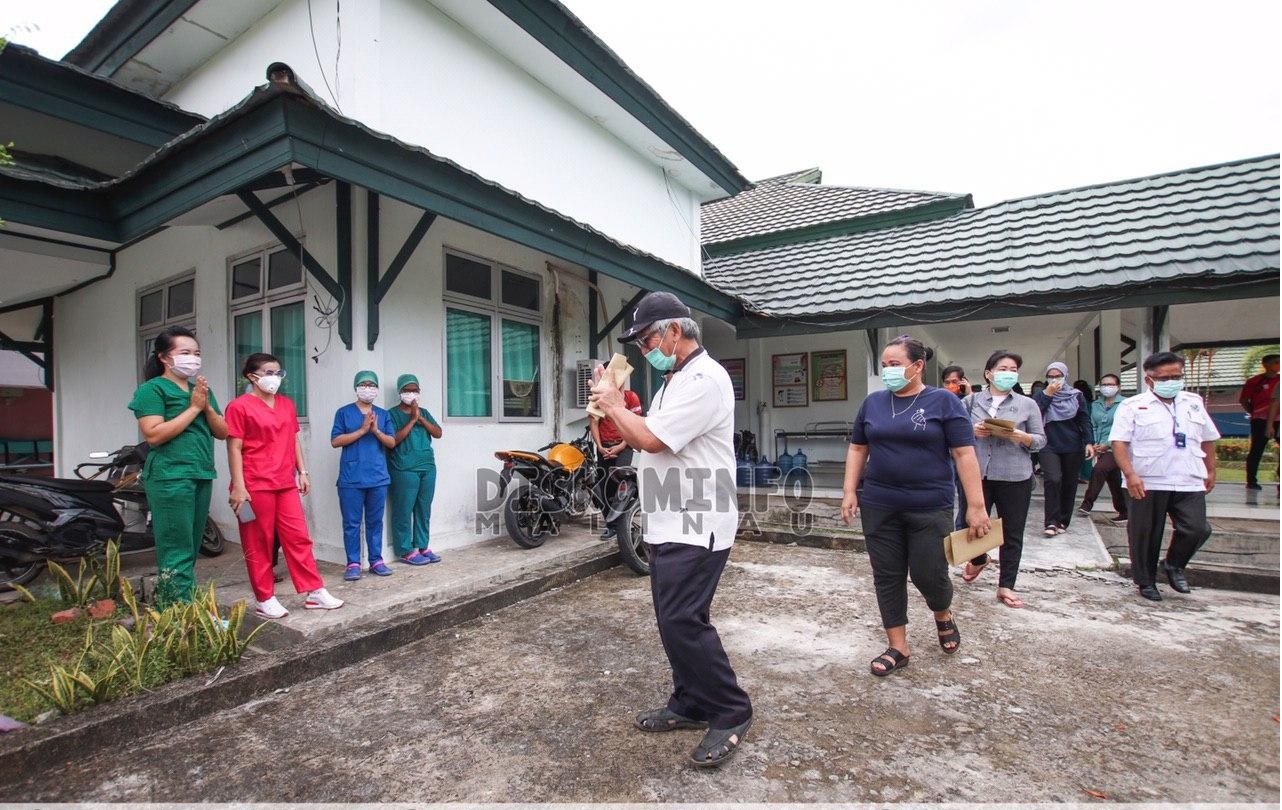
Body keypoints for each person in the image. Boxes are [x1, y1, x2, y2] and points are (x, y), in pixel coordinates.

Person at [590, 291, 752, 770]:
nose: (643, 349)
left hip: (697, 519)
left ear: (675, 332)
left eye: (646, 338)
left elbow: (652, 439)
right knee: (671, 619)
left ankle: (731, 709)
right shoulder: (674, 380)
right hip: (668, 518)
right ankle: (690, 701)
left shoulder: (704, 379)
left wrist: (617, 405)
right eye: (638, 342)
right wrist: (614, 411)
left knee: (684, 620)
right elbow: (647, 434)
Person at [840, 335, 991, 677]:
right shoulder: (873, 403)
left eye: (895, 365)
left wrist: (976, 506)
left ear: (918, 366)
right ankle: (899, 647)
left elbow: (964, 454)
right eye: (885, 366)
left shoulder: (943, 402)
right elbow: (858, 448)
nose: (888, 371)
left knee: (928, 572)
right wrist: (850, 490)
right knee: (887, 575)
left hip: (929, 504)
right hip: (879, 503)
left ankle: (942, 613)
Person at [225, 354, 342, 618]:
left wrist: (303, 471)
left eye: (279, 372)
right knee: (259, 542)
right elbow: (234, 447)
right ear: (252, 376)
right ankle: (264, 597)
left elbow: (294, 439)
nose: (275, 378)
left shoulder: (286, 405)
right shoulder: (239, 406)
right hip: (254, 484)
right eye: (269, 372)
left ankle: (314, 591)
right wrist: (238, 487)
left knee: (298, 537)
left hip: (284, 482)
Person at [128, 326, 228, 607]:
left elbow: (222, 431)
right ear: (164, 357)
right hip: (170, 476)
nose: (193, 359)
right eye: (185, 352)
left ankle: (184, 607)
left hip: (200, 473)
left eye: (196, 353)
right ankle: (175, 614)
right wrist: (194, 409)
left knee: (191, 547)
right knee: (176, 548)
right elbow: (155, 434)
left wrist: (206, 406)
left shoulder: (202, 391)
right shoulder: (152, 389)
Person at [1110, 351, 1219, 601]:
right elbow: (1119, 443)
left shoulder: (1193, 402)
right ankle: (1146, 581)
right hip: (1147, 480)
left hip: (1188, 477)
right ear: (1149, 380)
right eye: (1165, 377)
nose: (1172, 381)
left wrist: (1211, 470)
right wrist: (1130, 474)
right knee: (1145, 534)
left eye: (1176, 376)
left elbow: (1208, 438)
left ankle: (1173, 564)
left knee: (1196, 528)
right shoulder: (1132, 406)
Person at [958, 351, 1046, 608]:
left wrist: (1022, 437)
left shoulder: (1027, 404)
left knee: (1012, 532)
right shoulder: (971, 402)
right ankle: (978, 559)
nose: (1008, 373)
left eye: (1013, 369)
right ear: (988, 373)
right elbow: (954, 432)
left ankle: (1006, 586)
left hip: (1015, 475)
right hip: (976, 474)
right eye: (1003, 368)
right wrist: (971, 431)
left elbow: (1041, 440)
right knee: (971, 525)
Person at [331, 370, 396, 581]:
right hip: (351, 478)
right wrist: (362, 430)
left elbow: (391, 442)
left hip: (377, 477)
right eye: (363, 384)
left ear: (376, 389)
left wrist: (375, 430)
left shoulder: (383, 415)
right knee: (351, 523)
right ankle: (353, 563)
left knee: (375, 521)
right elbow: (335, 441)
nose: (367, 388)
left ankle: (376, 560)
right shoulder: (343, 413)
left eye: (371, 384)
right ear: (356, 387)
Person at [1033, 362, 1095, 536]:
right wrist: (1048, 395)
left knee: (1069, 482)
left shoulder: (1076, 396)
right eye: (1050, 376)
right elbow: (1035, 414)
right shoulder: (1040, 395)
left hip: (1072, 444)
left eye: (1057, 376)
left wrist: (1089, 442)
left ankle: (1063, 520)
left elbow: (1084, 419)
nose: (1054, 380)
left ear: (1065, 376)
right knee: (1053, 479)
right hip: (1047, 444)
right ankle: (1051, 522)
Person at [388, 374, 443, 566]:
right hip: (404, 468)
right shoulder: (391, 414)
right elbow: (392, 441)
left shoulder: (424, 412)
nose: (411, 393)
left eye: (414, 390)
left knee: (423, 508)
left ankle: (422, 545)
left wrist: (420, 418)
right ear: (400, 392)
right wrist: (411, 420)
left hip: (427, 467)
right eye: (407, 390)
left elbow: (438, 433)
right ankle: (405, 550)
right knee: (403, 509)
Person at [590, 377, 643, 540]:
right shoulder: (598, 397)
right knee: (603, 487)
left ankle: (622, 523)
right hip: (604, 447)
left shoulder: (630, 397)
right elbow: (593, 422)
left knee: (621, 485)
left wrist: (621, 446)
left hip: (624, 446)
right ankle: (611, 525)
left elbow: (636, 423)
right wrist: (599, 446)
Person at [1078, 374, 1128, 523]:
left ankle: (1087, 504)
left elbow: (1124, 427)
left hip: (1117, 446)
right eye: (1104, 384)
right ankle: (1124, 511)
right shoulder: (1096, 404)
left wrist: (1107, 444)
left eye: (1111, 384)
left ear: (1118, 386)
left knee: (1100, 469)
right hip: (1100, 446)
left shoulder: (1126, 404)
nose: (1107, 387)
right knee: (1114, 479)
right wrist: (1094, 443)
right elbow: (1093, 424)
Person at [1239, 353, 1279, 490]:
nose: (1278, 365)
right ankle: (1251, 481)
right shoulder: (1255, 381)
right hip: (1260, 420)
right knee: (1257, 450)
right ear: (1266, 365)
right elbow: (1244, 400)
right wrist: (1254, 412)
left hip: (1279, 419)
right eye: (1276, 362)